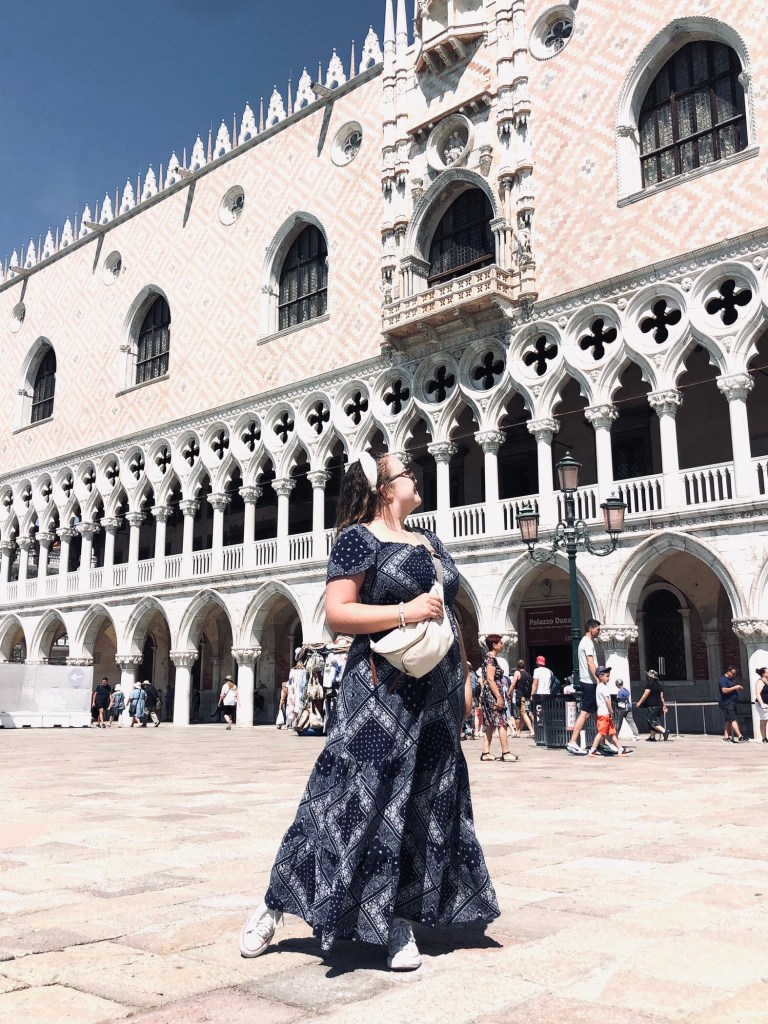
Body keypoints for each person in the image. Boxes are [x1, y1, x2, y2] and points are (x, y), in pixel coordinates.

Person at [240, 451, 499, 970]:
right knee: (345, 799)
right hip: (379, 693)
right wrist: (403, 610)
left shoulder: (429, 540)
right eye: (405, 472)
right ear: (384, 488)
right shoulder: (358, 538)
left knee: (423, 802)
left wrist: (466, 676)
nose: (414, 477)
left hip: (435, 694)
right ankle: (275, 905)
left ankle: (397, 922)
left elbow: (448, 614)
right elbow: (339, 613)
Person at [479, 635, 517, 763]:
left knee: (489, 724)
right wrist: (499, 697)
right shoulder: (490, 659)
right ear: (494, 645)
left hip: (489, 695)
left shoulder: (489, 659)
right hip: (493, 696)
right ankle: (505, 752)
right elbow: (490, 679)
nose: (502, 644)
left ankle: (486, 752)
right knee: (502, 722)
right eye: (500, 643)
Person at [567, 619, 601, 755]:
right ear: (590, 629)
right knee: (585, 712)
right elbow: (590, 662)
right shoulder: (587, 643)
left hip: (589, 681)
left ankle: (600, 744)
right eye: (598, 629)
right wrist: (598, 679)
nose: (599, 631)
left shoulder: (586, 642)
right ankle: (573, 742)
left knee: (597, 713)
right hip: (589, 682)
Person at [588, 666, 630, 757]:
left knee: (612, 733)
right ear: (600, 677)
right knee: (601, 732)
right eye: (607, 676)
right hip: (604, 713)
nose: (608, 678)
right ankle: (592, 750)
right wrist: (611, 710)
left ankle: (620, 749)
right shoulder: (603, 687)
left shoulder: (601, 687)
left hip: (604, 713)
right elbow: (607, 701)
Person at [635, 669, 669, 741]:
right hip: (659, 706)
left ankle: (664, 731)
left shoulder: (649, 685)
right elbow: (661, 697)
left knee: (652, 721)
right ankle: (652, 737)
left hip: (652, 706)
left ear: (650, 677)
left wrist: (639, 703)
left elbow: (645, 694)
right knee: (653, 720)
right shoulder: (659, 685)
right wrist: (664, 706)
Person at [717, 665, 748, 743]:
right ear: (728, 671)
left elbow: (730, 690)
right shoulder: (723, 679)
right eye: (733, 673)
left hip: (731, 702)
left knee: (728, 719)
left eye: (735, 673)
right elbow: (724, 690)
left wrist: (737, 688)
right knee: (733, 719)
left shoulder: (730, 680)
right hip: (726, 702)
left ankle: (726, 737)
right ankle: (740, 736)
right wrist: (735, 687)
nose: (734, 675)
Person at [510, 659, 534, 737]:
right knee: (522, 714)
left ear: (517, 666)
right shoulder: (527, 674)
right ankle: (518, 732)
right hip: (526, 696)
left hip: (520, 695)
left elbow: (513, 684)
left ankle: (531, 730)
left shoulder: (517, 672)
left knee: (523, 714)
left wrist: (508, 692)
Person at [614, 677, 640, 742]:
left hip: (622, 708)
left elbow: (620, 700)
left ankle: (615, 735)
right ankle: (636, 734)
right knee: (631, 721)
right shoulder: (626, 690)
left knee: (618, 722)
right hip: (629, 707)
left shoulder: (620, 691)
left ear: (617, 684)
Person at [754, 667, 768, 744]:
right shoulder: (760, 682)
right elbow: (758, 694)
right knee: (764, 721)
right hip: (763, 704)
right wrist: (762, 704)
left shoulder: (767, 681)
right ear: (763, 674)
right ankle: (764, 738)